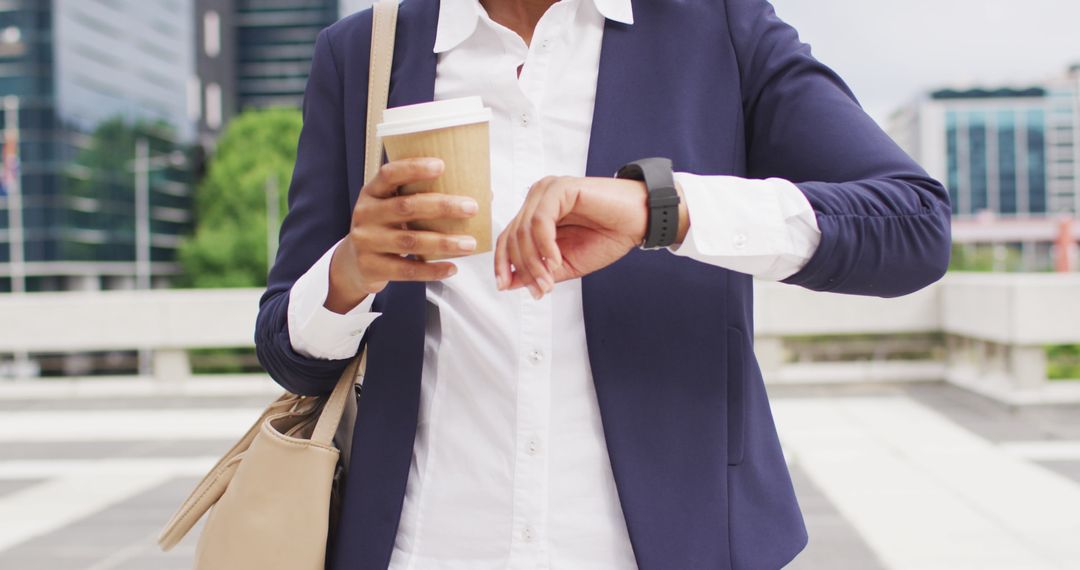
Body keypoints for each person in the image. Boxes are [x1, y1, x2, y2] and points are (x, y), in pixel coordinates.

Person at [255, 0, 952, 567]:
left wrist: (664, 209)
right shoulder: (363, 54)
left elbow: (913, 227)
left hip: (675, 544)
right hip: (421, 547)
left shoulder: (720, 28)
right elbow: (287, 352)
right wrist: (350, 271)